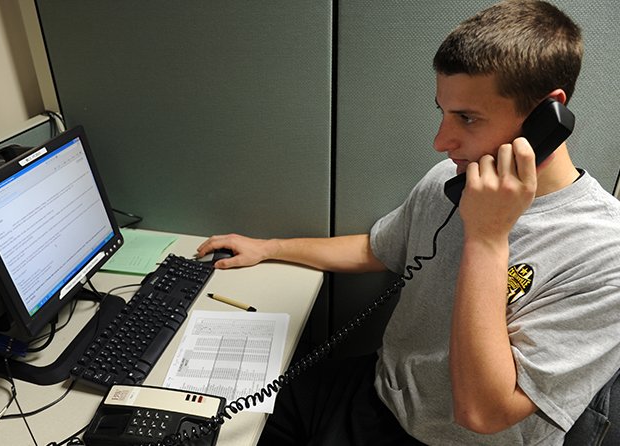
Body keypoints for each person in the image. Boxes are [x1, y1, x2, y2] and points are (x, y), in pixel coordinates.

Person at [197, 1, 620, 444]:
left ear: (545, 116)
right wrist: (269, 248)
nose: (441, 141)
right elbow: (377, 248)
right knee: (225, 421)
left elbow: (484, 411)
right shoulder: (451, 179)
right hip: (381, 391)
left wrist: (488, 238)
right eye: (443, 111)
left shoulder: (603, 256)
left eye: (468, 118)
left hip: (448, 438)